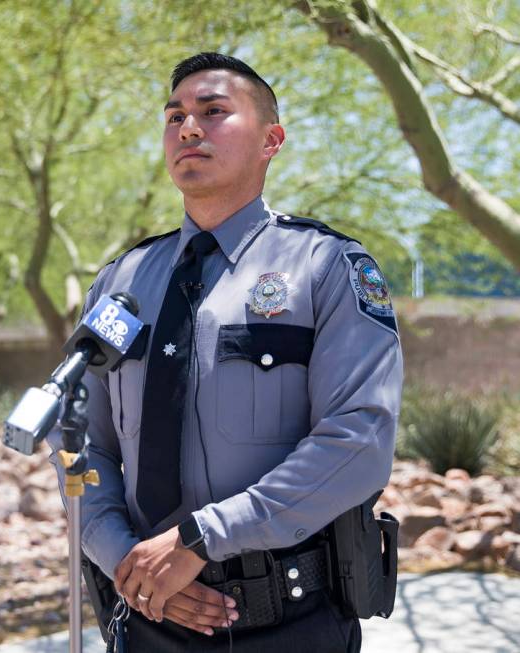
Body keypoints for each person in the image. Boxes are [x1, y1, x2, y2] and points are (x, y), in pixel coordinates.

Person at [49, 51, 403, 652]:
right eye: (175, 116)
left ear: (271, 139)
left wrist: (199, 539)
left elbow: (359, 438)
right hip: (146, 619)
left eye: (213, 111)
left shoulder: (324, 267)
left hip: (290, 623)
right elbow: (77, 437)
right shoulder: (121, 282)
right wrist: (120, 556)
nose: (188, 128)